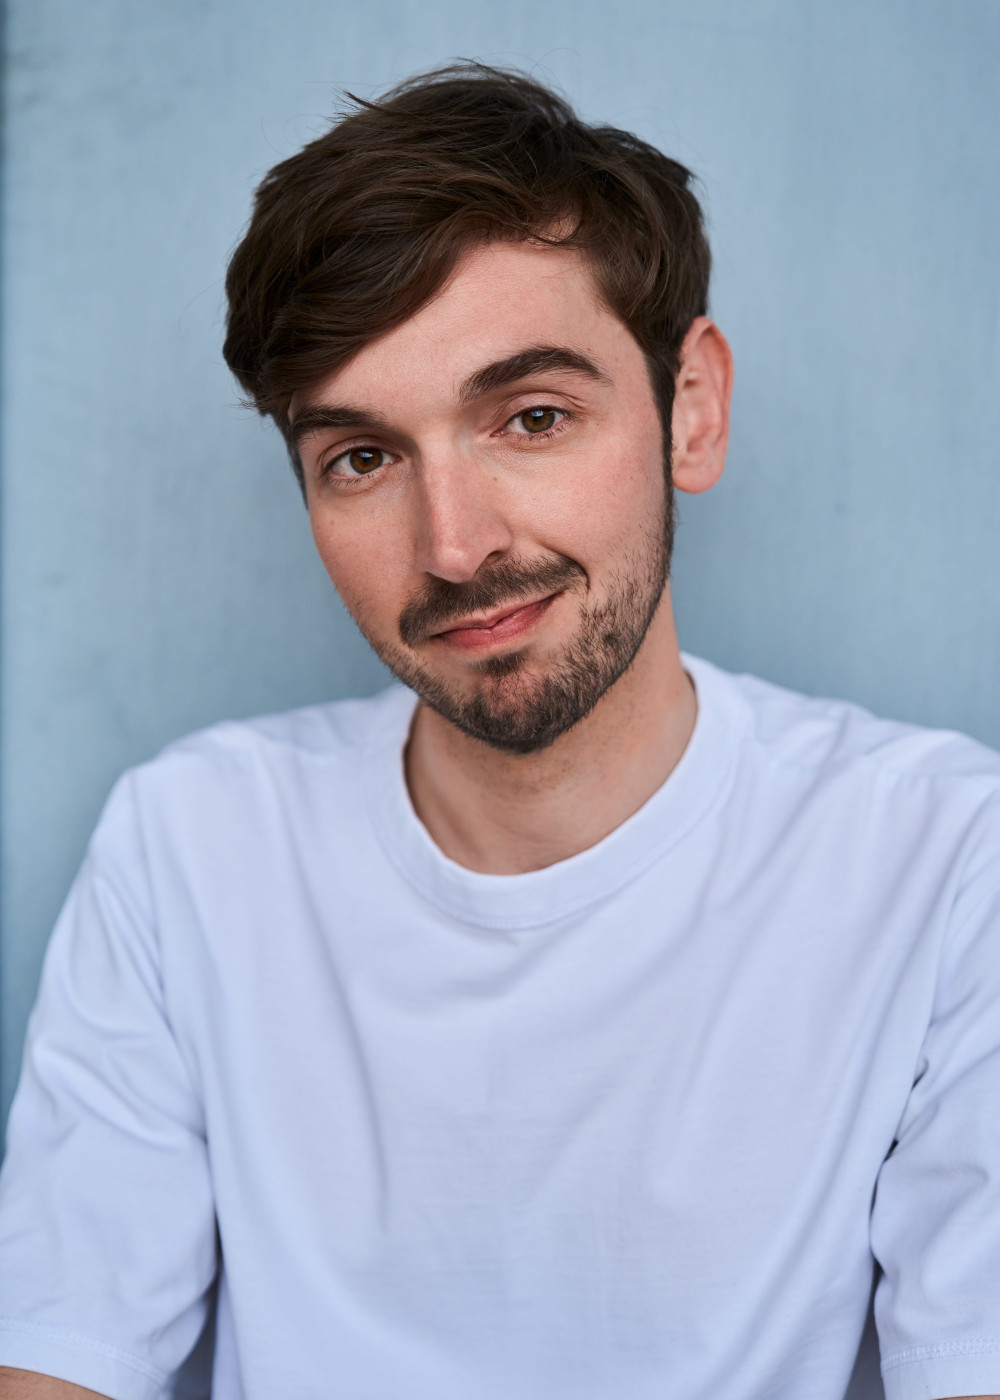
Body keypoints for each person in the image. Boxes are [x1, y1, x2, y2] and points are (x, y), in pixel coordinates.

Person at [0, 62, 998, 1400]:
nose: (455, 547)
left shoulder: (942, 860)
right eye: (362, 457)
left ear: (691, 409)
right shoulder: (191, 846)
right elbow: (55, 1360)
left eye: (532, 417)